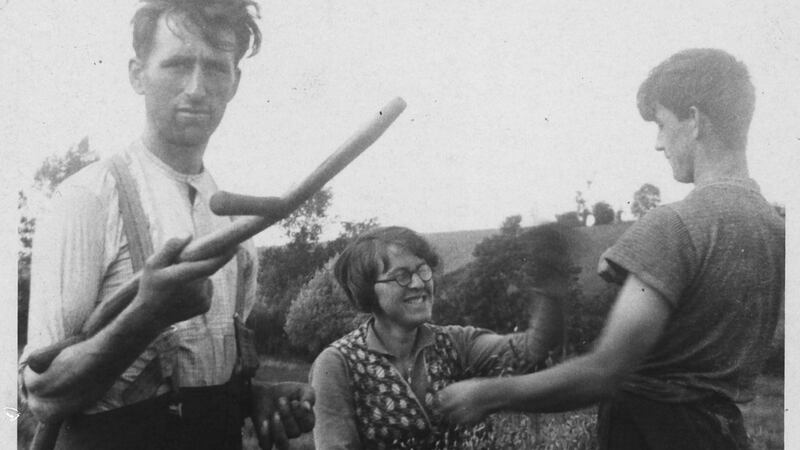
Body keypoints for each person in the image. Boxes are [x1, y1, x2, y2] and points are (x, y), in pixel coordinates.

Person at [437, 48, 785, 450]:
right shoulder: (775, 228)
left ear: (694, 119)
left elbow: (604, 372)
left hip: (654, 436)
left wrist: (486, 394)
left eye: (661, 124)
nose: (658, 144)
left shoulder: (673, 224)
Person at [19, 1, 314, 449]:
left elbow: (196, 376)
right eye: (176, 64)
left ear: (235, 81)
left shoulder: (236, 221)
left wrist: (253, 396)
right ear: (138, 75)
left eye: (215, 68)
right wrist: (147, 314)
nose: (196, 88)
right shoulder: (87, 199)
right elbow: (43, 396)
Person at [310, 226, 566, 449]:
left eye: (423, 270)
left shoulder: (456, 342)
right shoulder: (337, 364)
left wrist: (549, 287)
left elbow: (532, 350)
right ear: (367, 291)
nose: (419, 283)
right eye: (402, 276)